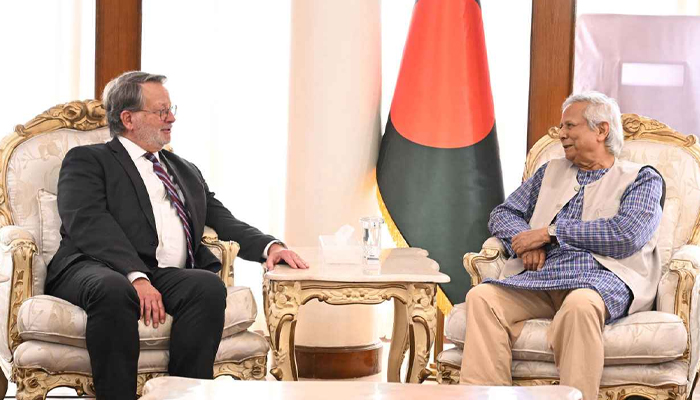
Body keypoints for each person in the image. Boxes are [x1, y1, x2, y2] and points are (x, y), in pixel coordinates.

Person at [45, 71, 308, 400]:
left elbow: (221, 218)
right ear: (128, 118)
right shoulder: (88, 160)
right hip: (93, 267)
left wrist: (270, 246)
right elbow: (88, 222)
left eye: (171, 109)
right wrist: (136, 276)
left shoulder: (184, 169)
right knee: (114, 289)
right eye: (161, 111)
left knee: (207, 287)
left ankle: (183, 395)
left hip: (161, 273)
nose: (171, 118)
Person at [459, 92, 664, 400]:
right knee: (482, 297)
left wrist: (549, 233)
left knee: (580, 307)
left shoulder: (642, 178)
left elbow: (626, 234)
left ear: (601, 130)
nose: (561, 134)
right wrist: (526, 243)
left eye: (570, 126)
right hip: (540, 277)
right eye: (561, 126)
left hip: (598, 280)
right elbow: (503, 214)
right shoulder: (549, 172)